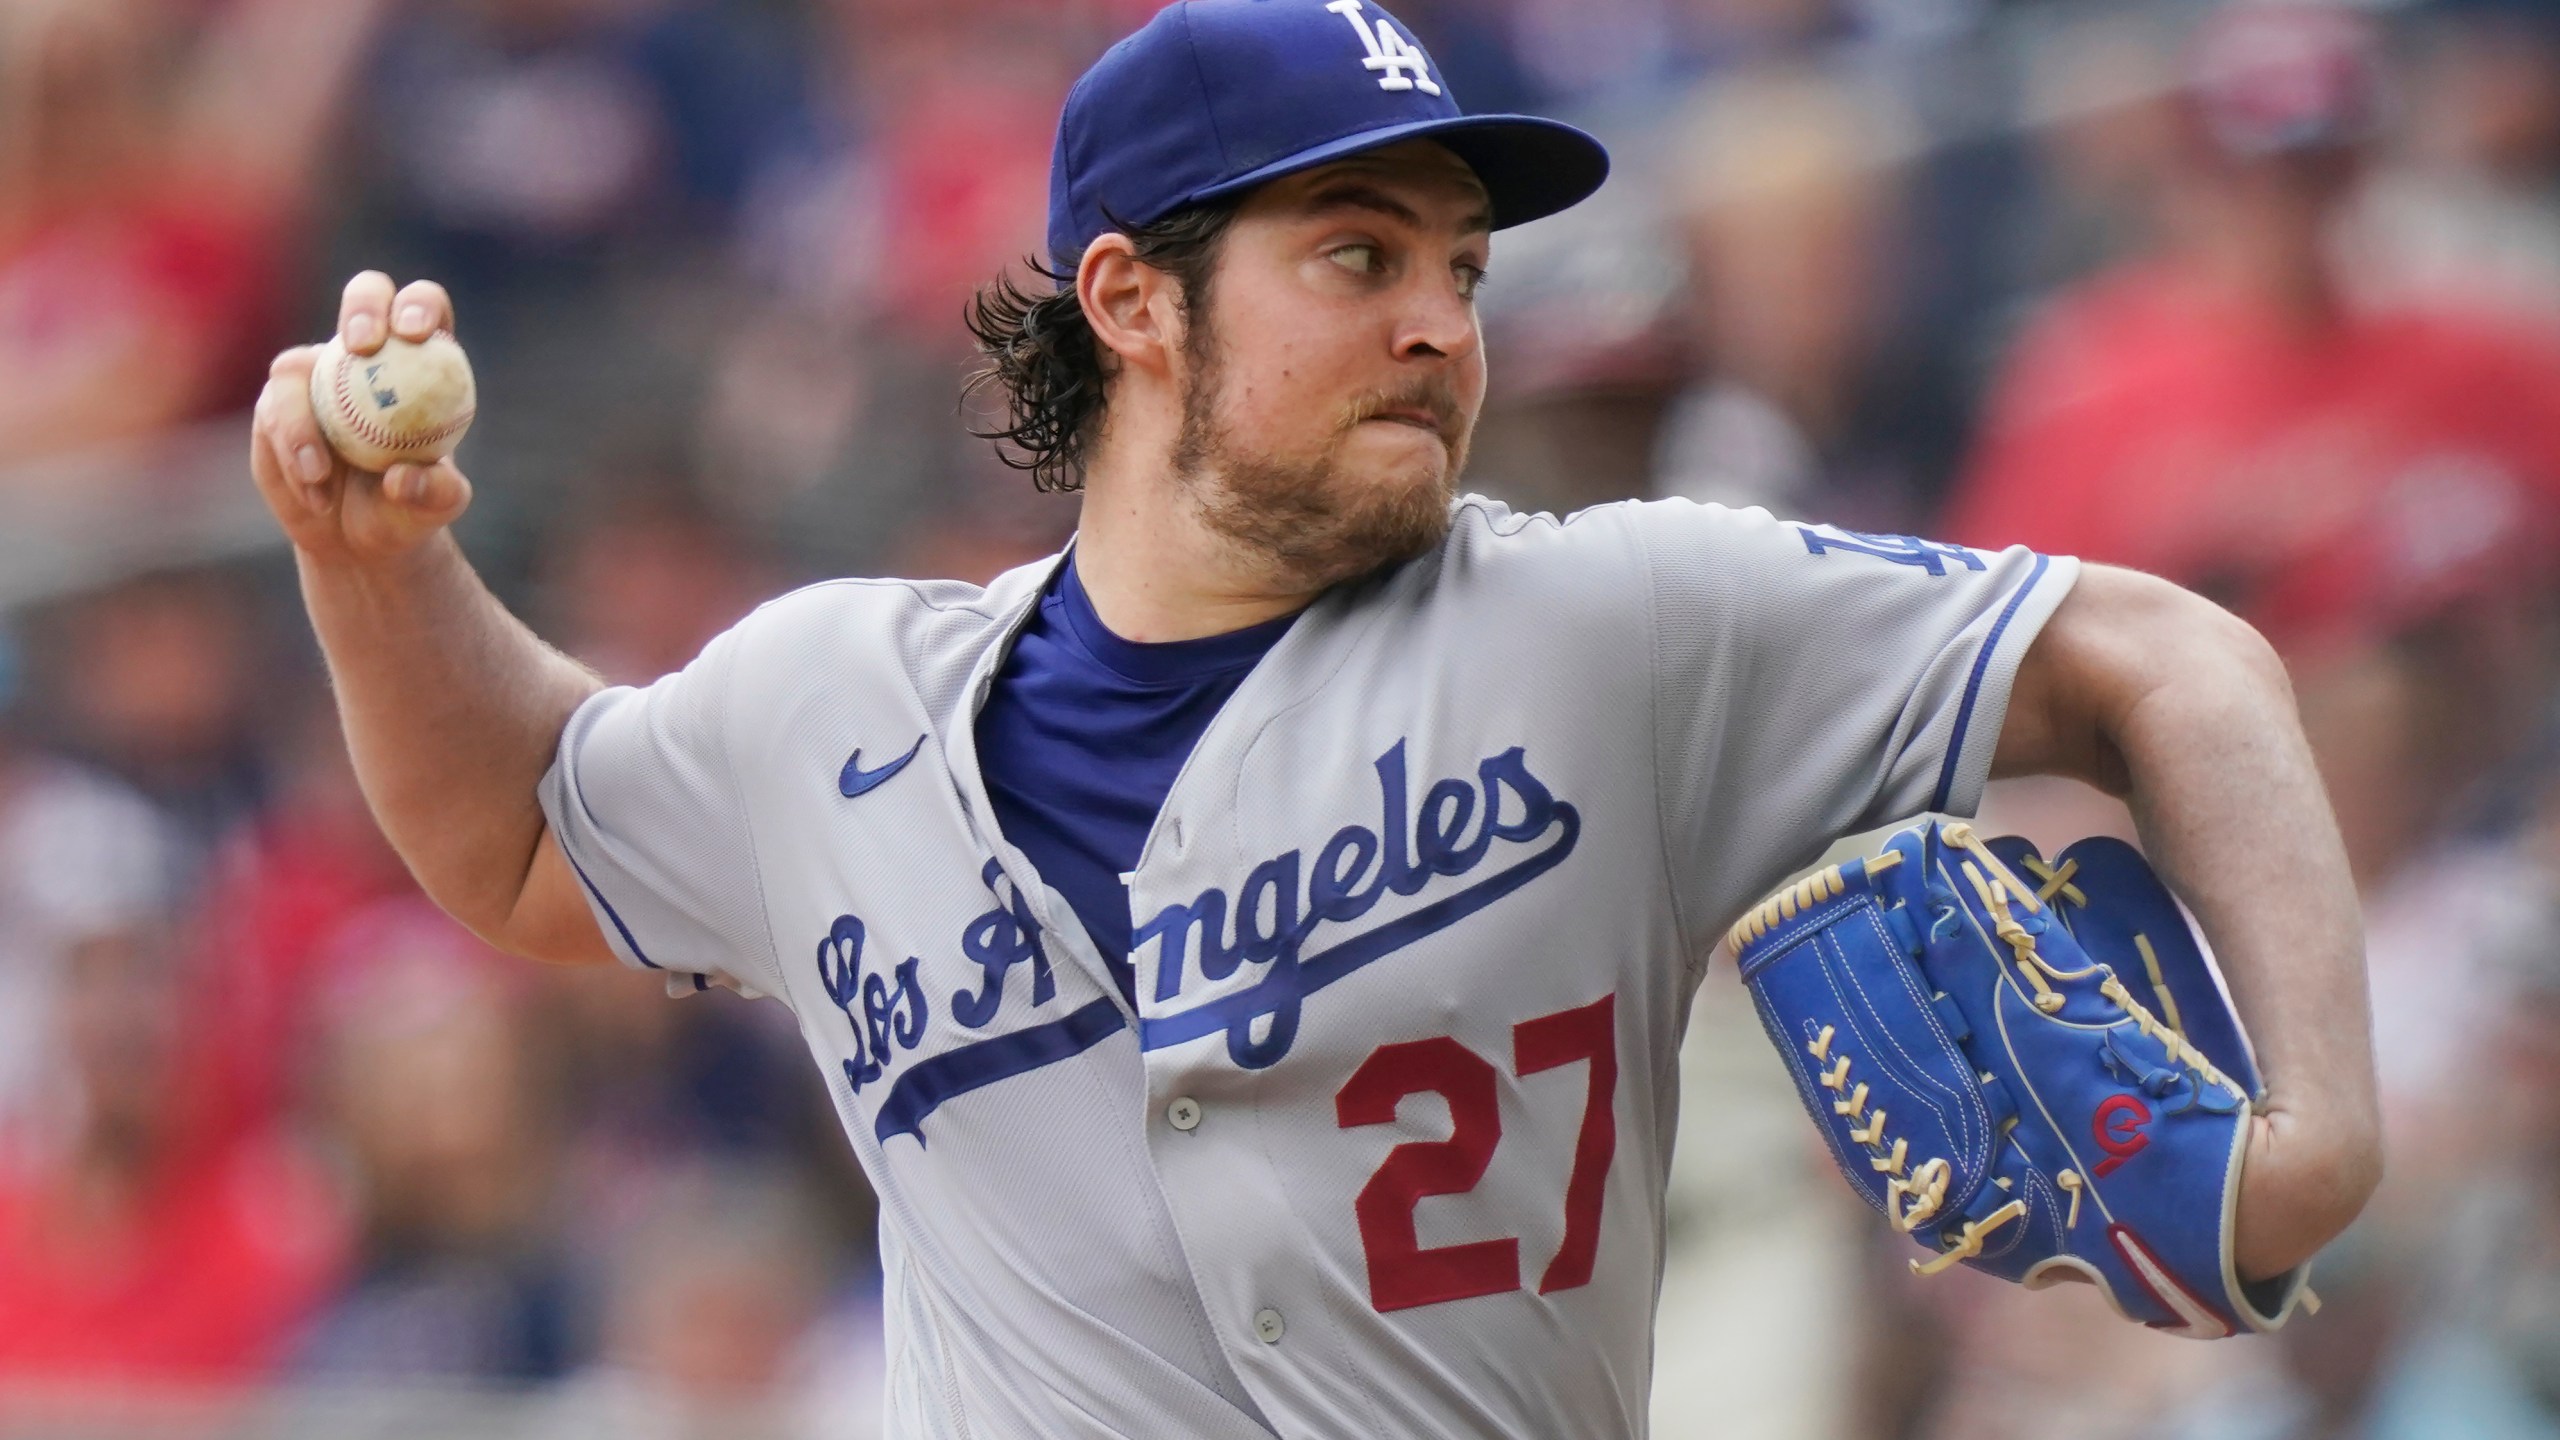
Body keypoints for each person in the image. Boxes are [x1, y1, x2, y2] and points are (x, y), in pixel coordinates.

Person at [247, 2, 2380, 1433]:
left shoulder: (1614, 620)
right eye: (1355, 257)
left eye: (1459, 267)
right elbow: (523, 831)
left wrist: (2313, 1147)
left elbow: (2166, 656)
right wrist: (375, 562)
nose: (1441, 324)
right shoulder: (831, 701)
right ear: (1130, 300)